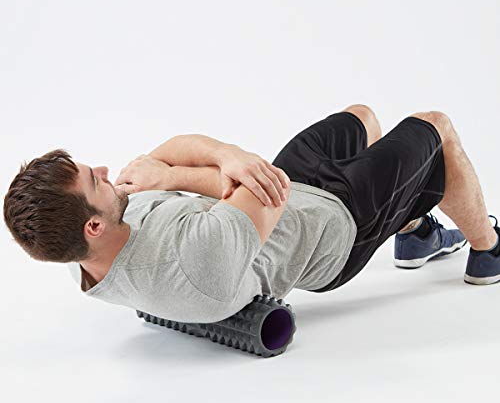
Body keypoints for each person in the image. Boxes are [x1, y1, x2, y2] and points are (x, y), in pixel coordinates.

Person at [3, 104, 499, 324]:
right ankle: (487, 250)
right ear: (93, 225)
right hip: (332, 227)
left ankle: (415, 233)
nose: (106, 171)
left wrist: (220, 159)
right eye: (94, 181)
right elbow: (265, 186)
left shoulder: (82, 248)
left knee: (362, 117)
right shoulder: (194, 263)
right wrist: (184, 172)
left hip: (289, 195)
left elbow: (172, 150)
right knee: (436, 127)